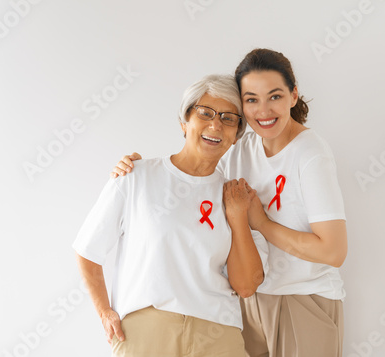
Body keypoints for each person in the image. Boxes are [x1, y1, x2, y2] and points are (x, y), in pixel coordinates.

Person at [111, 49, 348, 357]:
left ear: (293, 95)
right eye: (251, 99)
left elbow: (333, 251)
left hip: (302, 298)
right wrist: (137, 170)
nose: (263, 110)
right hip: (246, 302)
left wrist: (261, 223)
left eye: (274, 96)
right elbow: (195, 174)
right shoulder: (240, 148)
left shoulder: (310, 153)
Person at [73, 74, 268, 357]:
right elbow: (88, 250)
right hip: (147, 332)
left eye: (228, 118)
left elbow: (247, 285)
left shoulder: (236, 196)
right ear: (184, 122)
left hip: (218, 333)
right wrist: (105, 312)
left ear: (236, 136)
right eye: (205, 113)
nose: (216, 124)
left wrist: (237, 217)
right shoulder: (135, 176)